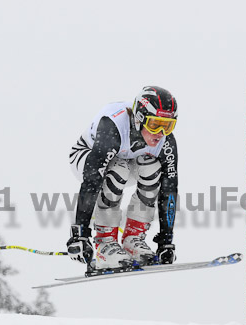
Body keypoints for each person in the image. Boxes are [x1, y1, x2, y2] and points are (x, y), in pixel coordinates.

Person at [67, 86, 178, 271]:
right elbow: (92, 180)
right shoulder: (113, 127)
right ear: (139, 119)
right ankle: (105, 244)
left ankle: (133, 239)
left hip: (126, 162)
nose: (160, 132)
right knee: (119, 168)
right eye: (154, 124)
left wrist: (166, 241)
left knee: (153, 167)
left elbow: (170, 190)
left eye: (167, 126)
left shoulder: (165, 141)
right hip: (85, 158)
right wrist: (80, 235)